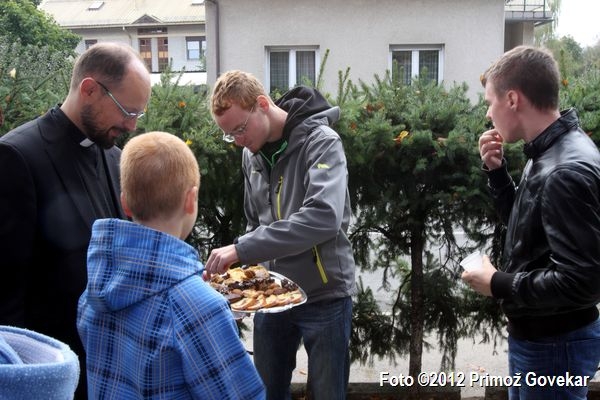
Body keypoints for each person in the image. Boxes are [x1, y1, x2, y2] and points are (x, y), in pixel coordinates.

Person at [0, 42, 151, 398]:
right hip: (50, 375)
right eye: (127, 111)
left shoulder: (115, 158)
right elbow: (6, 293)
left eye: (138, 114)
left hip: (111, 372)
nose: (131, 125)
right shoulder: (17, 156)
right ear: (89, 89)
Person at [77, 131, 265, 399]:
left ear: (125, 202)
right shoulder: (199, 308)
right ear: (191, 199)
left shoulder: (96, 286)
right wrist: (209, 311)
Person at [206, 70, 357, 400]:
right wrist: (243, 288)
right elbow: (255, 223)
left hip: (325, 294)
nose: (238, 141)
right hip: (273, 296)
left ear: (262, 104)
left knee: (328, 394)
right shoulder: (250, 155)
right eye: (230, 135)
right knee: (265, 392)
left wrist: (241, 249)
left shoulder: (322, 142)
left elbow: (323, 217)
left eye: (240, 129)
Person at [463, 45, 600, 399]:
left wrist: (498, 283)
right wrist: (497, 174)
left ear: (512, 99)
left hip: (554, 345)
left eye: (490, 102)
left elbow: (581, 282)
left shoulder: (563, 170)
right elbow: (529, 227)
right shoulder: (548, 150)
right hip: (547, 341)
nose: (488, 114)